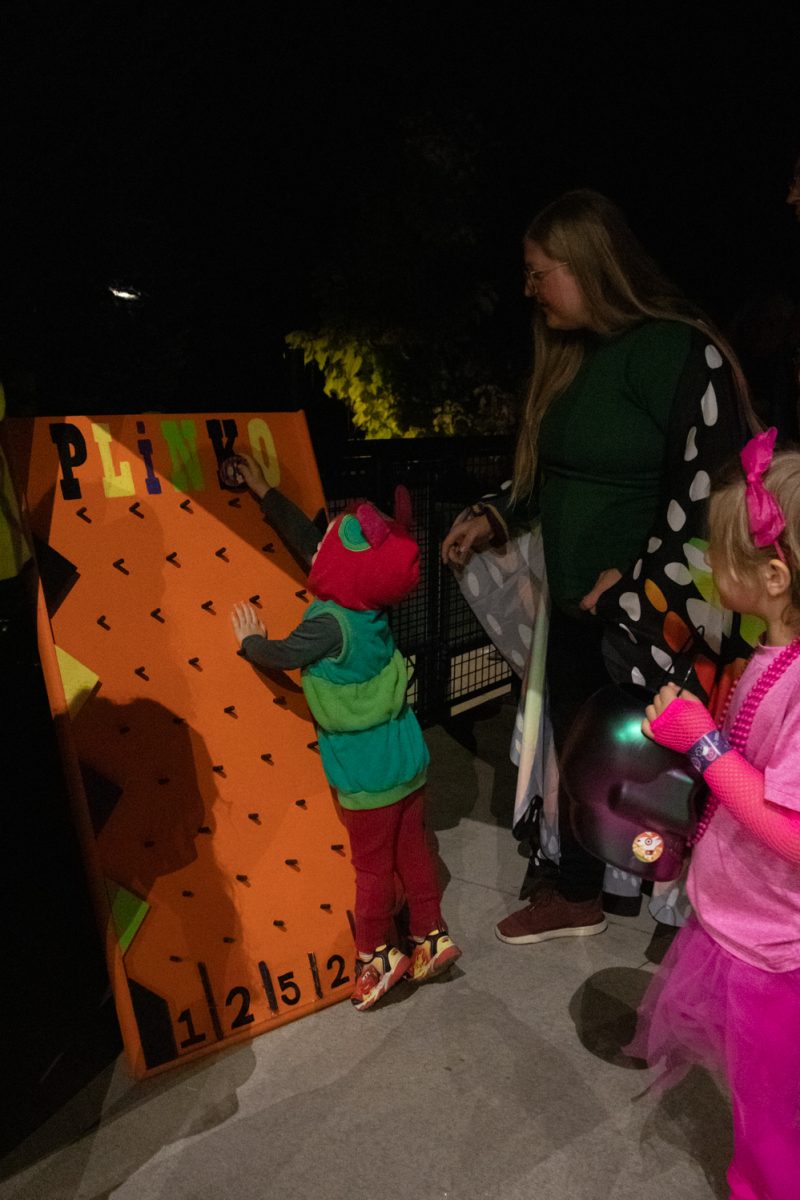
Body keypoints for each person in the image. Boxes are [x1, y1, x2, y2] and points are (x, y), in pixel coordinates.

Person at [441, 188, 759, 944]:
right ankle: (580, 888)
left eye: (538, 271)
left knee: (669, 761)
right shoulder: (571, 357)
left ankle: (691, 911)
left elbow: (712, 490)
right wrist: (496, 511)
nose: (528, 288)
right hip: (578, 610)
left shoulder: (682, 351)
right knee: (578, 748)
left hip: (657, 616)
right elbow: (548, 476)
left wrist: (641, 582)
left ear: (589, 267)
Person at [629, 428, 800, 1200]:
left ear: (772, 572)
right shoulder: (774, 652)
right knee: (762, 1105)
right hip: (748, 920)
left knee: (772, 1118)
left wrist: (700, 745)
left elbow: (791, 831)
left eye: (718, 557)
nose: (707, 567)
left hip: (773, 946)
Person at [228, 453, 461, 1012]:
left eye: (336, 534)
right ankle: (430, 936)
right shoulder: (369, 609)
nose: (325, 535)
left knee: (372, 869)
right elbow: (312, 544)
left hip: (369, 780)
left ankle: (378, 955)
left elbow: (283, 653)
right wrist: (265, 491)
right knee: (414, 854)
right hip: (409, 762)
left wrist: (250, 643)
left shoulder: (327, 625)